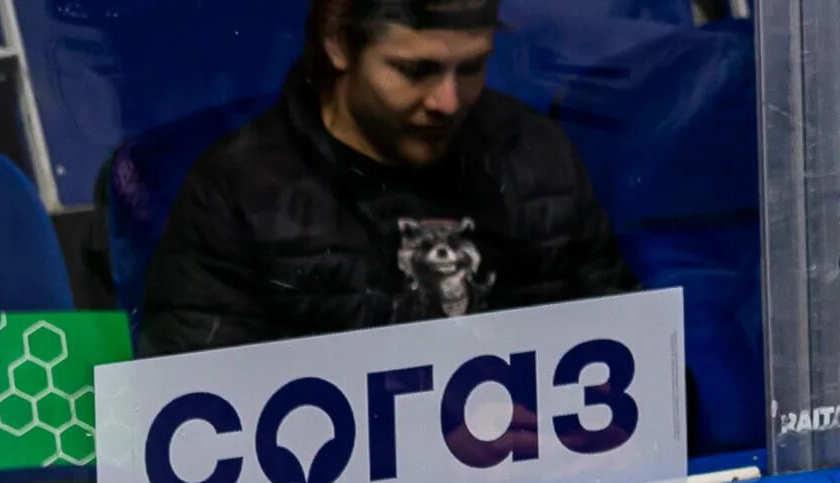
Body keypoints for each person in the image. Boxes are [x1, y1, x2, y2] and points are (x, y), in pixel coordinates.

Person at [136, 0, 631, 357]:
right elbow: (203, 420)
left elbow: (636, 364)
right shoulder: (239, 189)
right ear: (337, 42)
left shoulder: (535, 156)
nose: (448, 102)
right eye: (415, 70)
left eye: (473, 67)